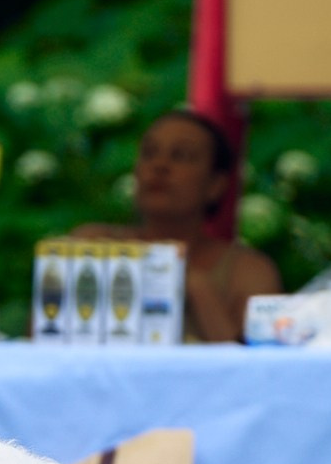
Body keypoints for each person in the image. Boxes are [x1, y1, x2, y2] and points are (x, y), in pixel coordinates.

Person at [71, 109, 280, 343]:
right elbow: (40, 354)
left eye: (181, 156)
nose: (160, 165)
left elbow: (255, 372)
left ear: (215, 185)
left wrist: (198, 290)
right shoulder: (92, 247)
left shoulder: (247, 271)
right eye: (149, 154)